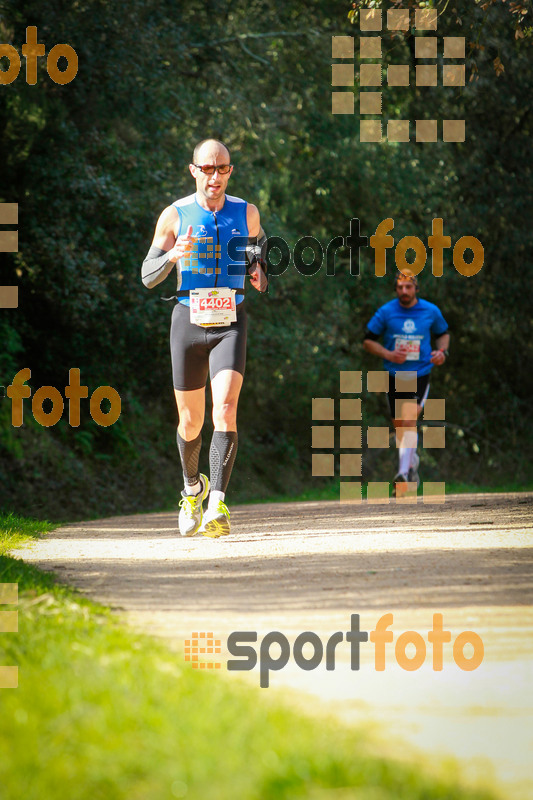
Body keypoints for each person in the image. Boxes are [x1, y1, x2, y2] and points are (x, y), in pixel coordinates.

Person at [141, 139, 267, 537]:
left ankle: (217, 505)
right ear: (193, 169)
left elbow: (259, 258)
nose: (216, 176)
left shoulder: (246, 212)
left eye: (223, 168)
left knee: (225, 411)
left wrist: (260, 272)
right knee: (190, 421)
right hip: (188, 323)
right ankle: (192, 489)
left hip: (231, 321)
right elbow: (147, 275)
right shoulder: (175, 215)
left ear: (231, 170)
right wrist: (173, 255)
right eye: (208, 169)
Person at [363, 270, 450, 495]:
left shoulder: (431, 311)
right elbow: (368, 341)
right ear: (396, 289)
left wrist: (442, 352)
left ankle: (402, 476)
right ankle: (411, 463)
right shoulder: (386, 312)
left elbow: (443, 334)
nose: (404, 291)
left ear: (416, 289)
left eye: (408, 287)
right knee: (400, 426)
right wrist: (390, 355)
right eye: (400, 287)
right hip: (394, 375)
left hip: (420, 373)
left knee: (409, 419)